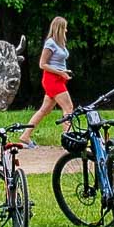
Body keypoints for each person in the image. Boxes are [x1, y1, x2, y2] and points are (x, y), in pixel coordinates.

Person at [18, 16, 72, 149]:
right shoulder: (50, 43)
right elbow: (42, 64)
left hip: (59, 78)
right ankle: (69, 139)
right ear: (59, 28)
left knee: (44, 110)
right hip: (52, 80)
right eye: (65, 28)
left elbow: (58, 62)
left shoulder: (60, 44)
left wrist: (64, 71)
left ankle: (25, 135)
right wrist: (60, 72)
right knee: (68, 108)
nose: (66, 30)